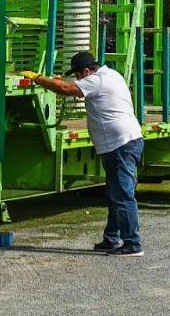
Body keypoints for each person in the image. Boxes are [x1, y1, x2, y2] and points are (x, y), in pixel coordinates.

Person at [30, 50, 144, 255]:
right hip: (123, 142)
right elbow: (69, 85)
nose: (77, 79)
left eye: (77, 75)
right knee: (116, 193)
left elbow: (66, 89)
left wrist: (39, 79)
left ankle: (132, 244)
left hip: (120, 144)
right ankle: (111, 239)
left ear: (86, 71)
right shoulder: (111, 75)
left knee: (123, 195)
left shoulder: (97, 80)